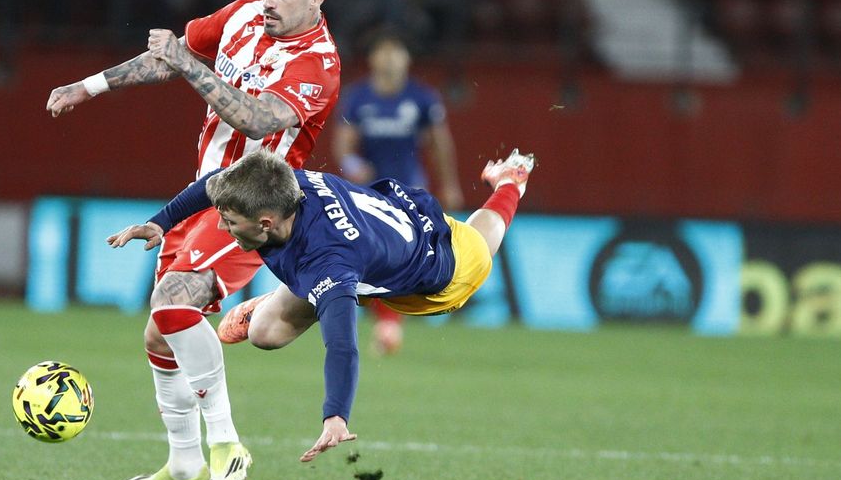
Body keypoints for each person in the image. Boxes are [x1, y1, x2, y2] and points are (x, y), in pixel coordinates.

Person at [45, 0, 341, 480]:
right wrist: (87, 86)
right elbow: (171, 55)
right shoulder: (243, 14)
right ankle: (183, 465)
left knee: (175, 299)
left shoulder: (317, 65)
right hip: (202, 193)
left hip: (257, 207)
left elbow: (257, 121)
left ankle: (226, 443)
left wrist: (184, 62)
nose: (269, 0)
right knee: (160, 335)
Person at [108, 147, 536, 462]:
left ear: (266, 222)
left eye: (230, 222)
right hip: (375, 228)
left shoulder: (330, 264)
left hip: (434, 274)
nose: (221, 226)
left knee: (479, 247)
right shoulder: (283, 183)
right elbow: (217, 181)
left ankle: (510, 184)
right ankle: (278, 300)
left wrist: (336, 416)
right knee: (263, 335)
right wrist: (160, 222)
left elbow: (343, 345)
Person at [332, 30, 464, 355]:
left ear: (407, 59)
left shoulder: (422, 98)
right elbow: (343, 143)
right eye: (384, 51)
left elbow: (440, 143)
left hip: (410, 192)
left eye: (397, 52)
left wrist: (450, 183)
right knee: (371, 257)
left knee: (397, 257)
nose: (391, 59)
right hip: (368, 192)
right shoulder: (358, 97)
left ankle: (389, 322)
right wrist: (351, 164)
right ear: (373, 59)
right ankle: (379, 318)